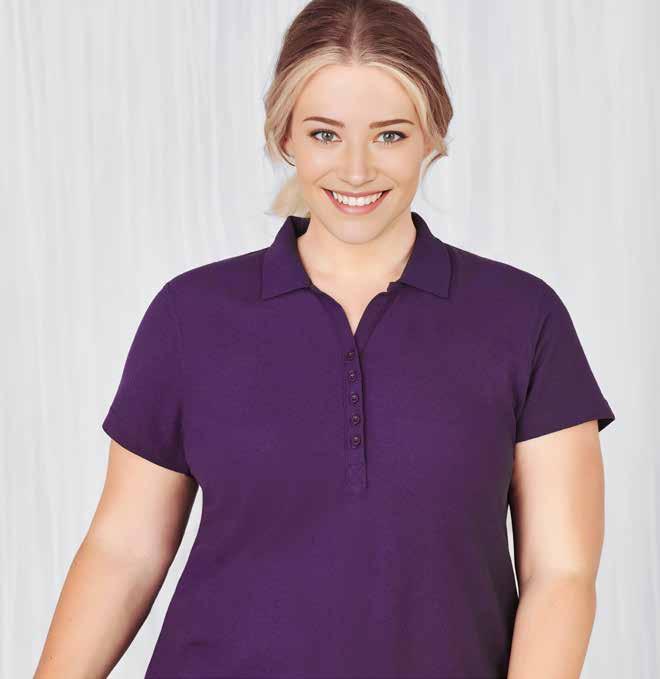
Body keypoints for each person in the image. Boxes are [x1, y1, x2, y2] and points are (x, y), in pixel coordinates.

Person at [35, 0, 616, 677]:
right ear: (286, 135)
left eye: (390, 135)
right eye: (325, 134)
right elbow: (124, 550)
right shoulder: (190, 316)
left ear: (433, 134)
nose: (357, 170)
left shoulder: (522, 317)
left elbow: (561, 572)